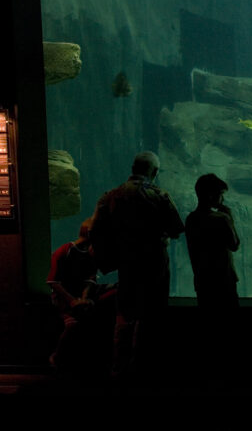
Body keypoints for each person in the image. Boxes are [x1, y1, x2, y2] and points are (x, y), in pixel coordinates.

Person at [89, 151, 184, 380]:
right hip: (155, 267)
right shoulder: (159, 195)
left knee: (125, 316)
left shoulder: (111, 196)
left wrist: (108, 261)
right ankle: (146, 369)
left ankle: (119, 369)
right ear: (155, 171)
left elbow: (96, 232)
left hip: (127, 266)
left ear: (133, 168)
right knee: (152, 317)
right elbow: (177, 229)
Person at [184, 173, 240, 381]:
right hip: (224, 282)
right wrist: (230, 218)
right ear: (210, 196)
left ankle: (208, 374)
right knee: (228, 330)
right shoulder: (221, 218)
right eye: (220, 195)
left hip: (203, 281)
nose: (222, 199)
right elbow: (234, 244)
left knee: (208, 329)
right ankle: (229, 373)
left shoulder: (191, 219)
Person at [47, 217, 115, 375]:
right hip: (63, 299)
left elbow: (89, 278)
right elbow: (53, 282)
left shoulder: (92, 254)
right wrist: (72, 301)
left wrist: (84, 298)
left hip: (81, 296)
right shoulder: (64, 251)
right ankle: (57, 356)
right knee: (72, 324)